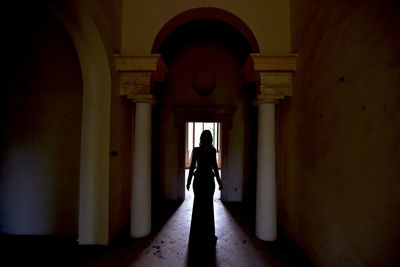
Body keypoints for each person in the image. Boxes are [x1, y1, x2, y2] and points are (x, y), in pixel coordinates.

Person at [186, 130, 223, 248]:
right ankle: (204, 236)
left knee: (202, 207)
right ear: (203, 138)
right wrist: (188, 181)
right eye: (206, 136)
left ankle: (200, 236)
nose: (207, 138)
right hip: (204, 181)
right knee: (203, 207)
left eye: (208, 137)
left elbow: (215, 168)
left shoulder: (202, 150)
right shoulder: (206, 150)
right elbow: (193, 166)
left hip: (203, 181)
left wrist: (219, 181)